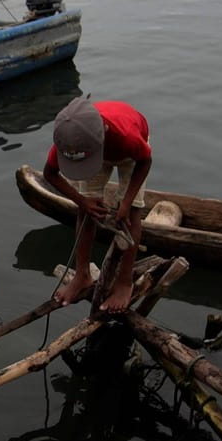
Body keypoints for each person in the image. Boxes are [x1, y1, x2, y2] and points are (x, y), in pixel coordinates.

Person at [43, 97, 152, 313]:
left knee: (131, 215)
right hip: (94, 152)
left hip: (130, 156)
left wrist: (126, 203)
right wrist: (82, 201)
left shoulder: (127, 136)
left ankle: (124, 281)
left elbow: (144, 161)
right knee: (85, 212)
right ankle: (82, 274)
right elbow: (50, 174)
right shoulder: (69, 142)